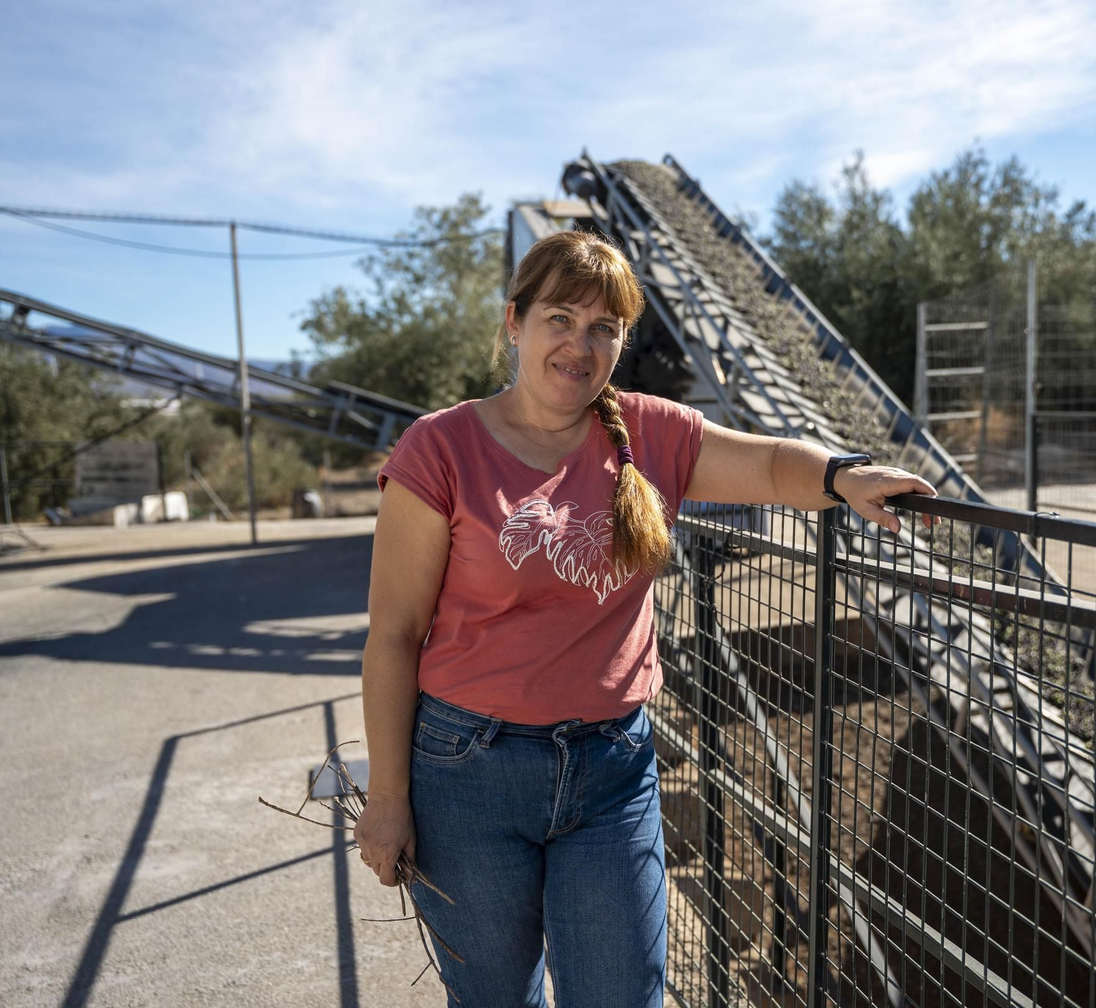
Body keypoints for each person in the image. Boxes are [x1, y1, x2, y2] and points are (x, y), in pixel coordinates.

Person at [353, 229, 936, 1007]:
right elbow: (393, 634)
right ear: (514, 322)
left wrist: (843, 475)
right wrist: (389, 799)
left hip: (612, 771)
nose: (579, 345)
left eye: (604, 328)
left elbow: (766, 463)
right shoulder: (440, 449)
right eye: (560, 319)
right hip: (469, 772)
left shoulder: (650, 431)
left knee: (624, 994)